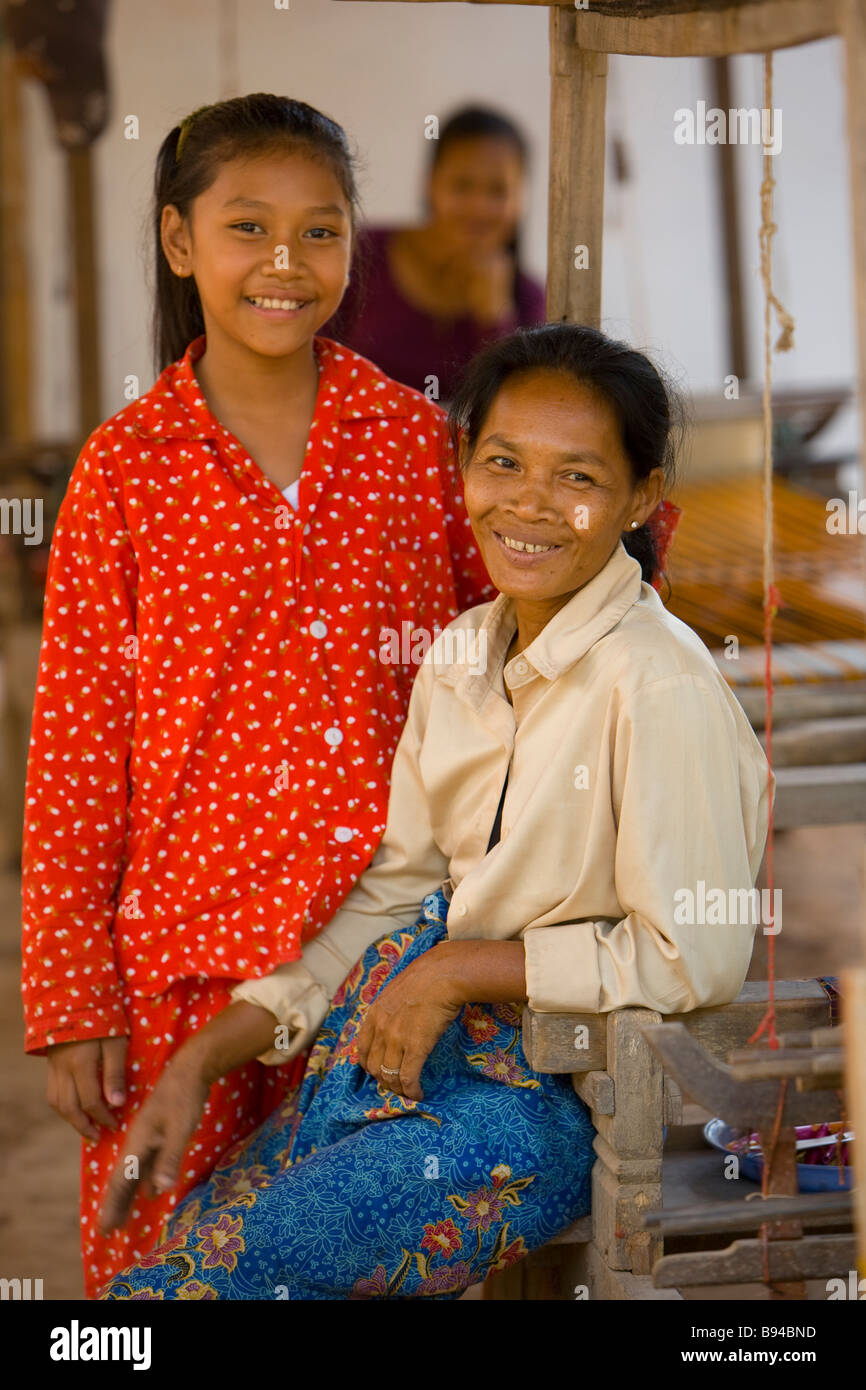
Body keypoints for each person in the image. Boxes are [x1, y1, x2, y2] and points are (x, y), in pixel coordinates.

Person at [98, 323, 773, 1301]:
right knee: (195, 1240)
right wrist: (203, 1056)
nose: (528, 504)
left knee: (218, 1282)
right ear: (464, 467)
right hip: (398, 1072)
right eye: (502, 462)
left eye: (575, 476)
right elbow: (390, 896)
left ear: (638, 496)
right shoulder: (460, 653)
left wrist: (460, 967)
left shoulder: (652, 683)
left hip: (545, 1101)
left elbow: (693, 952)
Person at [21, 93, 492, 1299]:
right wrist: (74, 995)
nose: (284, 265)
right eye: (246, 227)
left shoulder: (411, 441)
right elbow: (77, 752)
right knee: (172, 1270)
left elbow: (507, 641)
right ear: (181, 241)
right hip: (184, 969)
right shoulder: (124, 474)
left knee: (371, 1263)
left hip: (392, 957)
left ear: (353, 246)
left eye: (320, 231)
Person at [323, 106, 546, 400]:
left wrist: (495, 318)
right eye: (462, 185)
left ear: (521, 199)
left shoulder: (527, 298)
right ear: (429, 183)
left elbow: (517, 409)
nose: (479, 207)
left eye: (497, 190)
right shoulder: (361, 253)